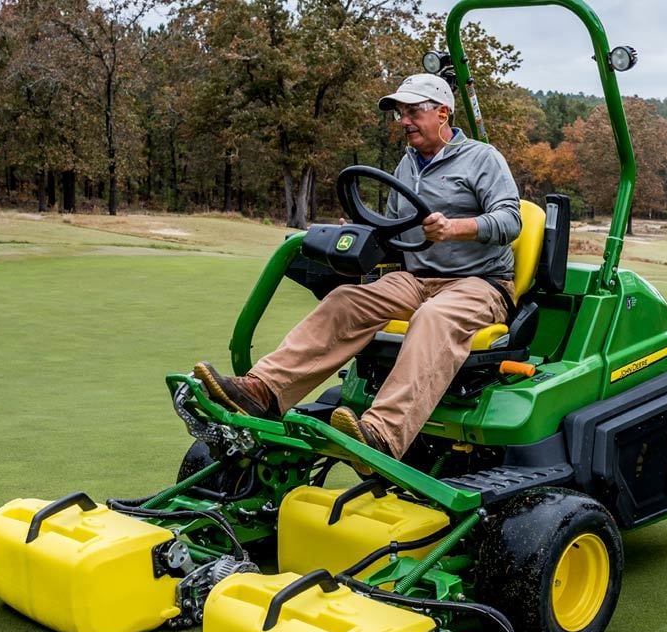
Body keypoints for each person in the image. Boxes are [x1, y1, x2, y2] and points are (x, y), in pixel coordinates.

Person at [194, 73, 522, 466]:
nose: (404, 121)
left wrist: (455, 228)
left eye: (414, 111)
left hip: (479, 283)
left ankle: (381, 435)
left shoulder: (482, 158)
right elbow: (395, 230)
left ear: (442, 113)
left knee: (434, 317)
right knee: (345, 300)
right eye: (401, 113)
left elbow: (509, 221)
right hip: (416, 279)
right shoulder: (406, 165)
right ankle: (264, 389)